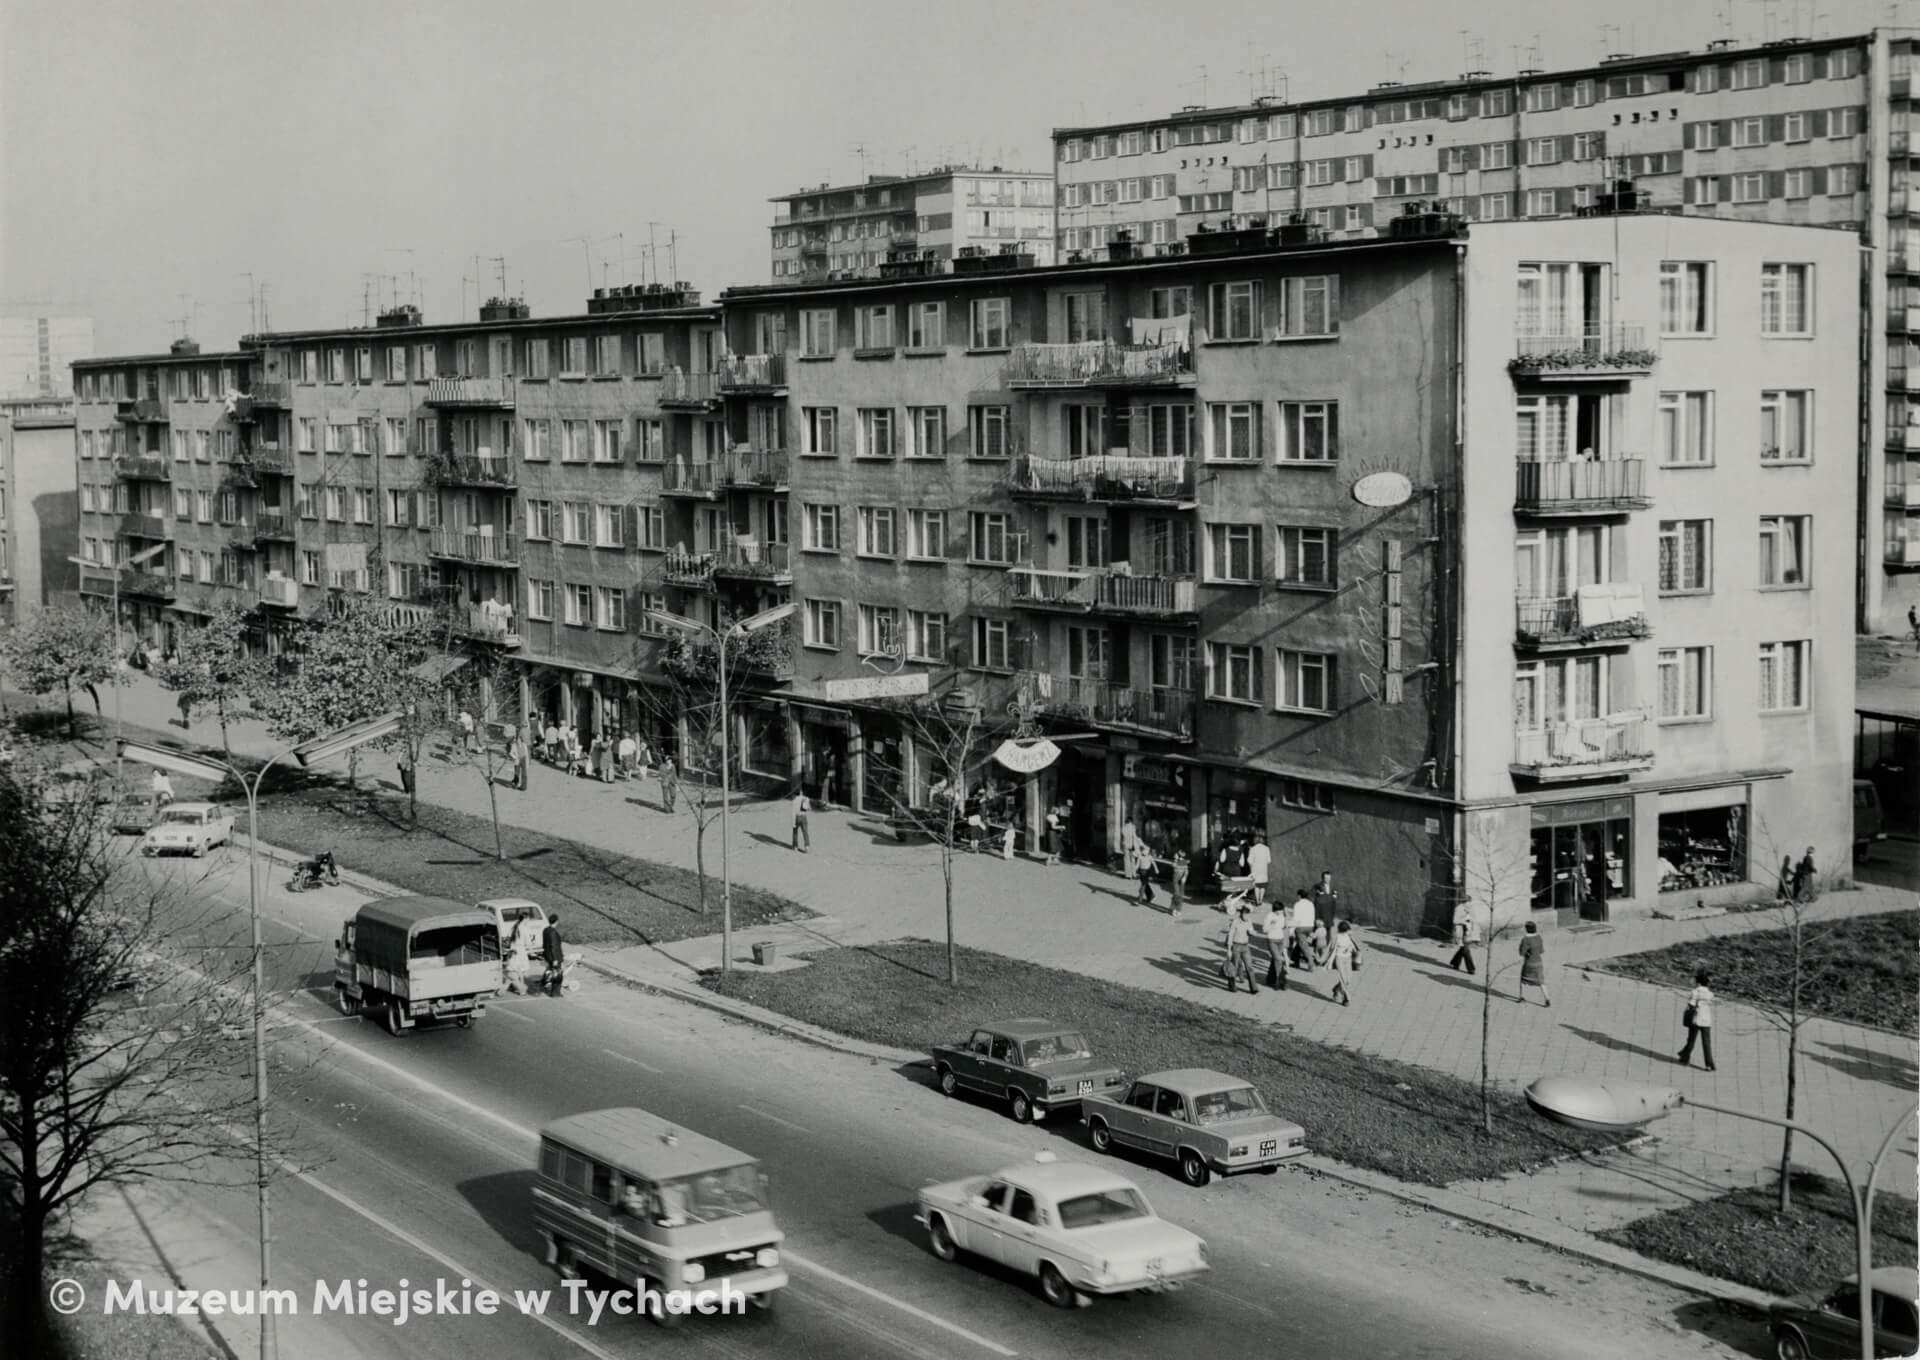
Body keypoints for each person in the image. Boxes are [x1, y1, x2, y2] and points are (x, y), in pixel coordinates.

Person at [1677, 968, 1716, 1070]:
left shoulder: (1695, 992)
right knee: (1707, 1043)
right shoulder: (1710, 994)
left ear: (1698, 982)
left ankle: (1685, 1058)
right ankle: (1709, 1064)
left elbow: (1691, 1004)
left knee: (1691, 1040)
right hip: (1707, 1020)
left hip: (1696, 1019)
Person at [1223, 905, 1257, 995]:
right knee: (1234, 966)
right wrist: (1228, 949)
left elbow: (1251, 931)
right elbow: (1230, 935)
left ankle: (1253, 988)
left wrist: (1252, 933)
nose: (1247, 917)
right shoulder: (1235, 922)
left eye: (1248, 915)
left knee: (1249, 967)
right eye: (1245, 915)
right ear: (1241, 913)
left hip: (1245, 946)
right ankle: (1232, 985)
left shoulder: (1249, 921)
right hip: (1236, 946)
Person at [1447, 896, 1487, 974]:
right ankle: (1471, 968)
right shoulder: (1459, 908)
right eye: (1466, 901)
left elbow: (1474, 921)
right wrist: (1465, 919)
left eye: (1469, 901)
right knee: (1465, 949)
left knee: (1463, 948)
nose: (1468, 903)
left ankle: (1455, 963)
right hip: (1461, 929)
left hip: (1469, 931)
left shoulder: (1471, 909)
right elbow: (1455, 920)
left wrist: (1476, 933)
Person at [1516, 920, 1550, 1006]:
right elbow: (1541, 951)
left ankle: (1521, 997)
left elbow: (1521, 953)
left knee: (1523, 980)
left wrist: (1522, 948)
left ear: (1526, 929)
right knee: (1541, 982)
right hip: (1539, 962)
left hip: (1529, 963)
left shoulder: (1525, 939)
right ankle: (1547, 999)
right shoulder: (1539, 937)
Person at [1262, 898, 1290, 989]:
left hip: (1280, 940)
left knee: (1275, 960)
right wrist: (1271, 925)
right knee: (1279, 959)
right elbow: (1264, 929)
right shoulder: (1270, 916)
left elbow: (1284, 926)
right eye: (1280, 910)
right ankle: (1281, 981)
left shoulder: (1282, 915)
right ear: (1275, 909)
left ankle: (1270, 979)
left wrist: (1286, 917)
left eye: (1282, 910)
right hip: (1272, 940)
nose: (1281, 912)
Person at [1329, 920, 1357, 1006]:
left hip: (1348, 959)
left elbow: (1353, 946)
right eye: (1345, 931)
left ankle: (1337, 989)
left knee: (1348, 979)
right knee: (1343, 978)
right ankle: (1346, 997)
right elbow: (1331, 948)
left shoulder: (1349, 936)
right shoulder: (1336, 937)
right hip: (1339, 958)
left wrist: (1350, 948)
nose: (1346, 932)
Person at [1289, 886, 1317, 969]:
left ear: (1299, 896)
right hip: (1310, 926)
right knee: (1300, 943)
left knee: (1303, 946)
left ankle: (1311, 964)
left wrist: (1291, 930)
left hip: (1300, 927)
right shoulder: (1311, 904)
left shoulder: (1297, 904)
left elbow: (1296, 918)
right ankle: (1295, 960)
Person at [503, 918, 533, 994]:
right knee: (521, 970)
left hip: (512, 949)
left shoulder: (514, 927)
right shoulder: (524, 928)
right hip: (520, 950)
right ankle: (520, 987)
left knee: (513, 968)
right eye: (528, 919)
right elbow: (528, 942)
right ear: (525, 919)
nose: (528, 921)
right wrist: (531, 951)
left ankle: (513, 986)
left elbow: (508, 938)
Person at [541, 915, 566, 996]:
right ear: (556, 921)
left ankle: (546, 985)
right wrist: (555, 959)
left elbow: (545, 944)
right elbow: (554, 947)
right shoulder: (553, 933)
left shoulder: (545, 930)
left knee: (550, 972)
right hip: (554, 957)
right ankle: (555, 992)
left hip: (547, 955)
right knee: (557, 974)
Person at [1246, 834, 1272, 906]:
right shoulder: (1266, 848)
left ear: (1255, 841)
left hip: (1255, 870)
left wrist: (1251, 867)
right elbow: (1269, 861)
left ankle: (1257, 900)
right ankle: (1261, 900)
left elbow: (1249, 860)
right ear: (1262, 841)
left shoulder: (1252, 849)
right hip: (1263, 870)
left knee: (1257, 886)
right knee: (1262, 886)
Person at [1168, 848, 1190, 921]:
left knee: (1181, 895)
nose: (1175, 855)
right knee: (1176, 894)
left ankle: (1178, 909)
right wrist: (1176, 860)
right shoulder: (1175, 862)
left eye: (1177, 854)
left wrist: (1184, 877)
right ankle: (1174, 909)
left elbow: (1186, 871)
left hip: (1182, 881)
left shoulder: (1184, 862)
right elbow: (1173, 865)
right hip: (1176, 880)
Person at [791, 787, 811, 852]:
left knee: (795, 832)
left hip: (796, 817)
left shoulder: (793, 800)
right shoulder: (805, 798)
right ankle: (807, 846)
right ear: (801, 792)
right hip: (803, 816)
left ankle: (795, 846)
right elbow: (808, 808)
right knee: (805, 832)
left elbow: (793, 811)